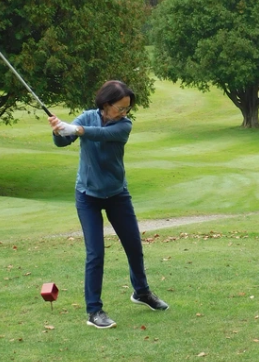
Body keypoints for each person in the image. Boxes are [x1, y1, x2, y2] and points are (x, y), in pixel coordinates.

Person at [48, 80, 169, 329]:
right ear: (106, 104)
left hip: (116, 194)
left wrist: (76, 129)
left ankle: (142, 292)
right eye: (120, 107)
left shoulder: (124, 125)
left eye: (127, 108)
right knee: (95, 253)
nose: (124, 112)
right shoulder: (87, 117)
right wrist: (58, 130)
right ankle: (94, 311)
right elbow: (62, 142)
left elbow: (101, 135)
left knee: (133, 246)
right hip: (87, 196)